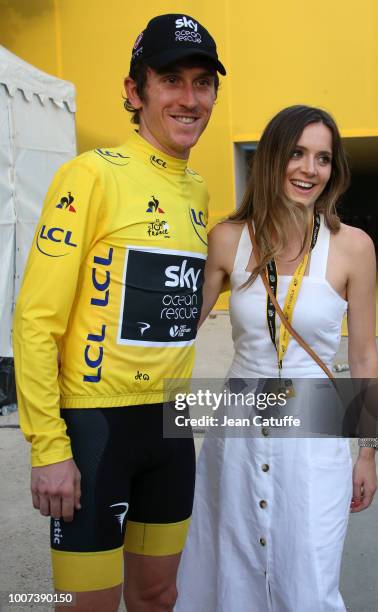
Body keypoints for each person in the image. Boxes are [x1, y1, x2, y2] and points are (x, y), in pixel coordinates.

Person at [13, 13, 225, 612]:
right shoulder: (89, 175)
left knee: (159, 596)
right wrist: (49, 447)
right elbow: (35, 320)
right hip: (94, 429)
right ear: (135, 91)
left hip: (172, 426)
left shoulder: (200, 191)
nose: (190, 99)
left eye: (203, 83)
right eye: (172, 81)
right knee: (88, 607)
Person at [175, 105, 378, 611]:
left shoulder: (353, 247)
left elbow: (364, 355)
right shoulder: (228, 238)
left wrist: (368, 452)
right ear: (271, 158)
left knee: (308, 572)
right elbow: (180, 328)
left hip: (315, 432)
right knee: (232, 563)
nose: (310, 169)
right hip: (238, 428)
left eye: (323, 158)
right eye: (297, 153)